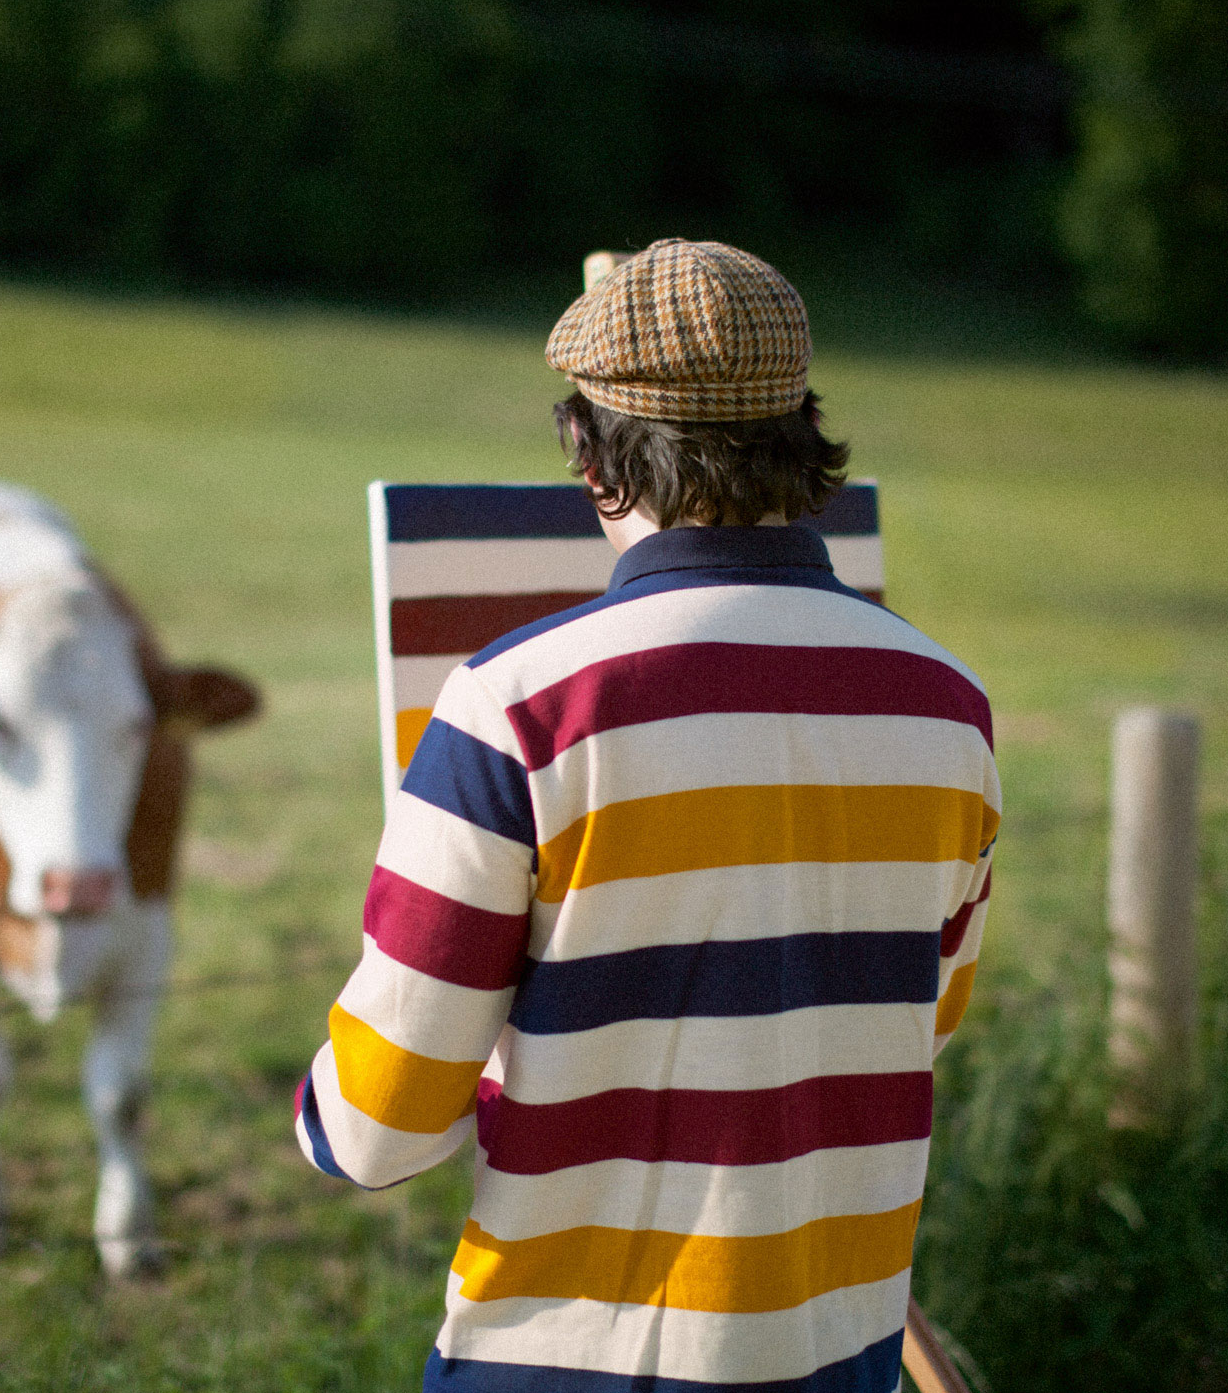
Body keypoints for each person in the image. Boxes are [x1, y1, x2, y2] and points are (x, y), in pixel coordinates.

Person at [295, 239, 998, 1393]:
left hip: (572, 1358)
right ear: (803, 433)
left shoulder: (517, 705)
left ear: (587, 451)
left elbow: (380, 1130)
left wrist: (334, 1113)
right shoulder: (946, 705)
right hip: (839, 1352)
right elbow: (918, 1019)